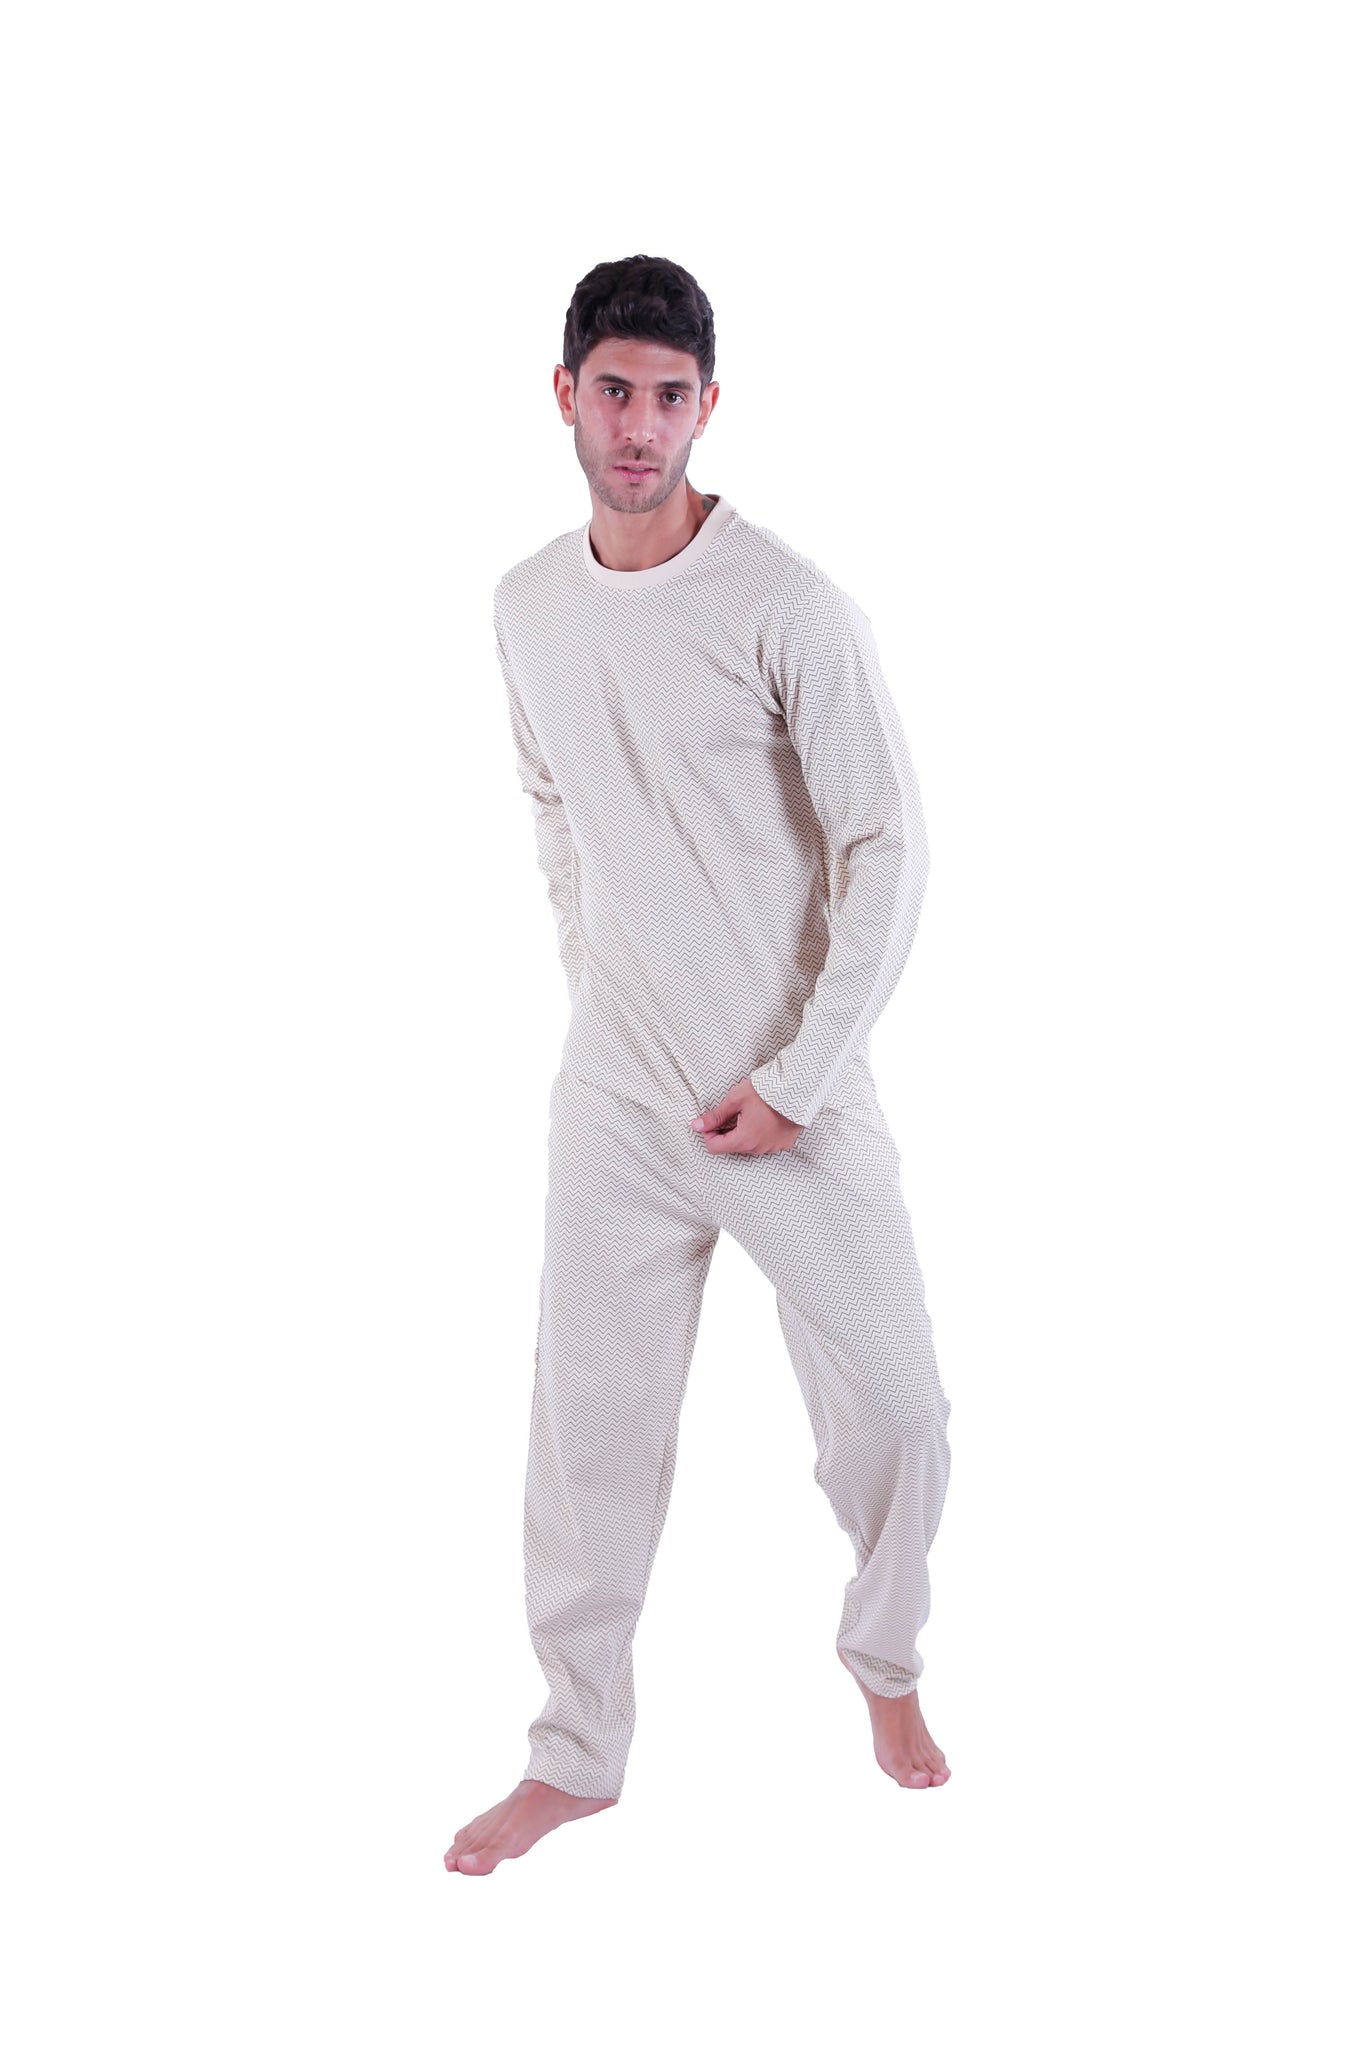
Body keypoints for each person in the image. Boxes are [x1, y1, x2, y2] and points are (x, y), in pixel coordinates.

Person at [446, 254, 953, 1877]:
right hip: (616, 1095)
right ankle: (574, 1753)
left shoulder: (788, 605)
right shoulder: (524, 603)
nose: (640, 426)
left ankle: (883, 1660)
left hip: (791, 1095)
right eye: (615, 391)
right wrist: (594, 988)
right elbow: (552, 809)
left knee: (900, 1409)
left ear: (707, 408)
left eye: (671, 397)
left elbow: (886, 848)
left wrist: (798, 1075)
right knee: (585, 1440)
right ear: (565, 394)